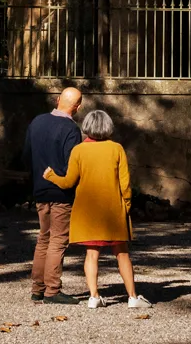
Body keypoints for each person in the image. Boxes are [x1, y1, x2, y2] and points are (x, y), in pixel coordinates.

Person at [43, 108, 148, 309]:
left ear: (87, 127)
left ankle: (94, 296)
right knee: (122, 254)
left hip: (87, 212)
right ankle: (133, 297)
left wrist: (50, 176)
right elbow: (125, 183)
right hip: (113, 210)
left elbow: (68, 182)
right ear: (108, 127)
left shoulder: (79, 150)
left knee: (92, 254)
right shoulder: (116, 148)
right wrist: (125, 205)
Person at [23, 86, 83, 304]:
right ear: (78, 107)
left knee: (43, 239)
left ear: (57, 100)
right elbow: (72, 164)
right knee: (58, 240)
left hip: (40, 188)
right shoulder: (71, 129)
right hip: (61, 191)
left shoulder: (37, 122)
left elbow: (26, 155)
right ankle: (52, 290)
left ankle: (37, 287)